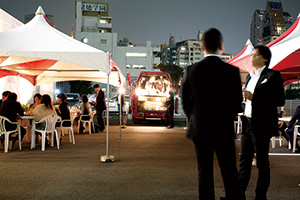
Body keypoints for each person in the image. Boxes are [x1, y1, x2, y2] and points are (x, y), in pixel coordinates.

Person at [182, 28, 243, 200]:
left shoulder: (190, 70)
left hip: (200, 129)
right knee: (229, 171)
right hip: (223, 128)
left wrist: (194, 118)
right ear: (221, 46)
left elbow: (186, 102)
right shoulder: (232, 71)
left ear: (202, 47)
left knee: (204, 171)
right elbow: (237, 103)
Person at [239, 45, 285, 200]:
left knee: (261, 162)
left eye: (255, 54)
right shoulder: (250, 77)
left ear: (265, 58)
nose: (252, 57)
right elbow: (248, 100)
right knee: (244, 159)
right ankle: (239, 194)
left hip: (262, 124)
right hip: (248, 122)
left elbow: (279, 99)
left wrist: (255, 97)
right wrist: (243, 112)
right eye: (251, 55)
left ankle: (261, 195)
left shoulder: (272, 75)